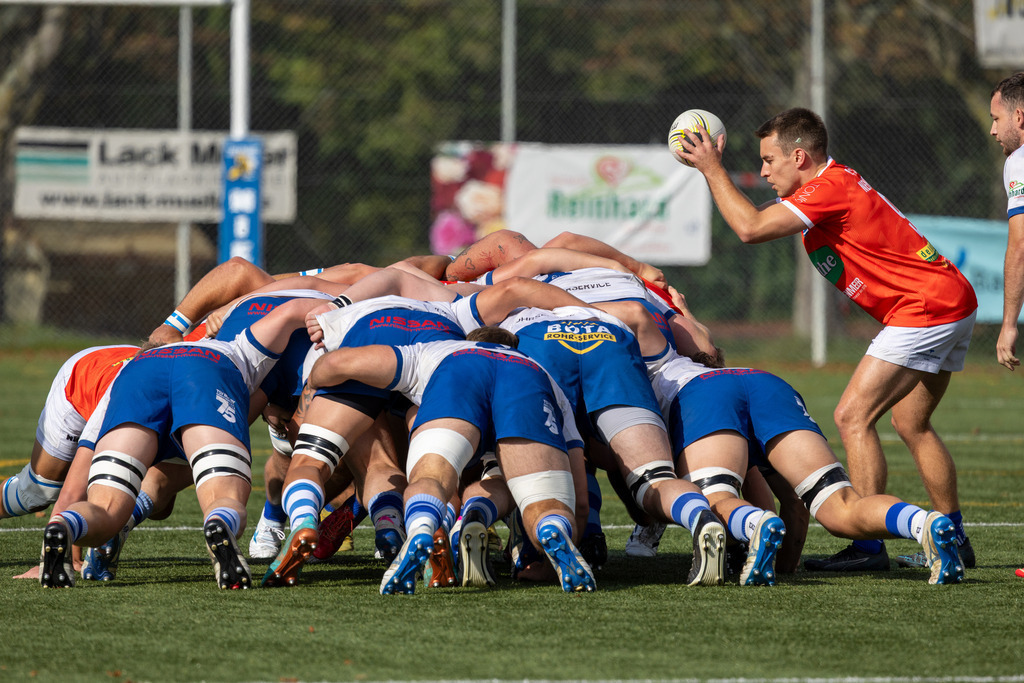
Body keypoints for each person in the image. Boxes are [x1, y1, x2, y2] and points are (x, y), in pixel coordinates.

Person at [677, 106, 979, 573]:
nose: (762, 171)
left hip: (924, 308)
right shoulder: (831, 187)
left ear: (799, 157)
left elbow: (749, 228)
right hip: (948, 300)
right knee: (911, 424)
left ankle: (868, 544)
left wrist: (711, 168)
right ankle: (954, 539)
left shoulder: (827, 187)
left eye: (769, 160)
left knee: (852, 416)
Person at [38, 296, 323, 589]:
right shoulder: (232, 344)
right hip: (205, 371)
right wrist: (339, 311)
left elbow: (76, 482)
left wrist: (61, 518)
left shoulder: (124, 372)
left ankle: (66, 526)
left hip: (136, 379)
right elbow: (291, 310)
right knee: (224, 496)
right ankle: (219, 522)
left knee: (107, 509)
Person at [988, 72, 1024, 579]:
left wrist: (1008, 323)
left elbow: (1020, 245)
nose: (992, 129)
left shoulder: (1019, 161)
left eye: (997, 118)